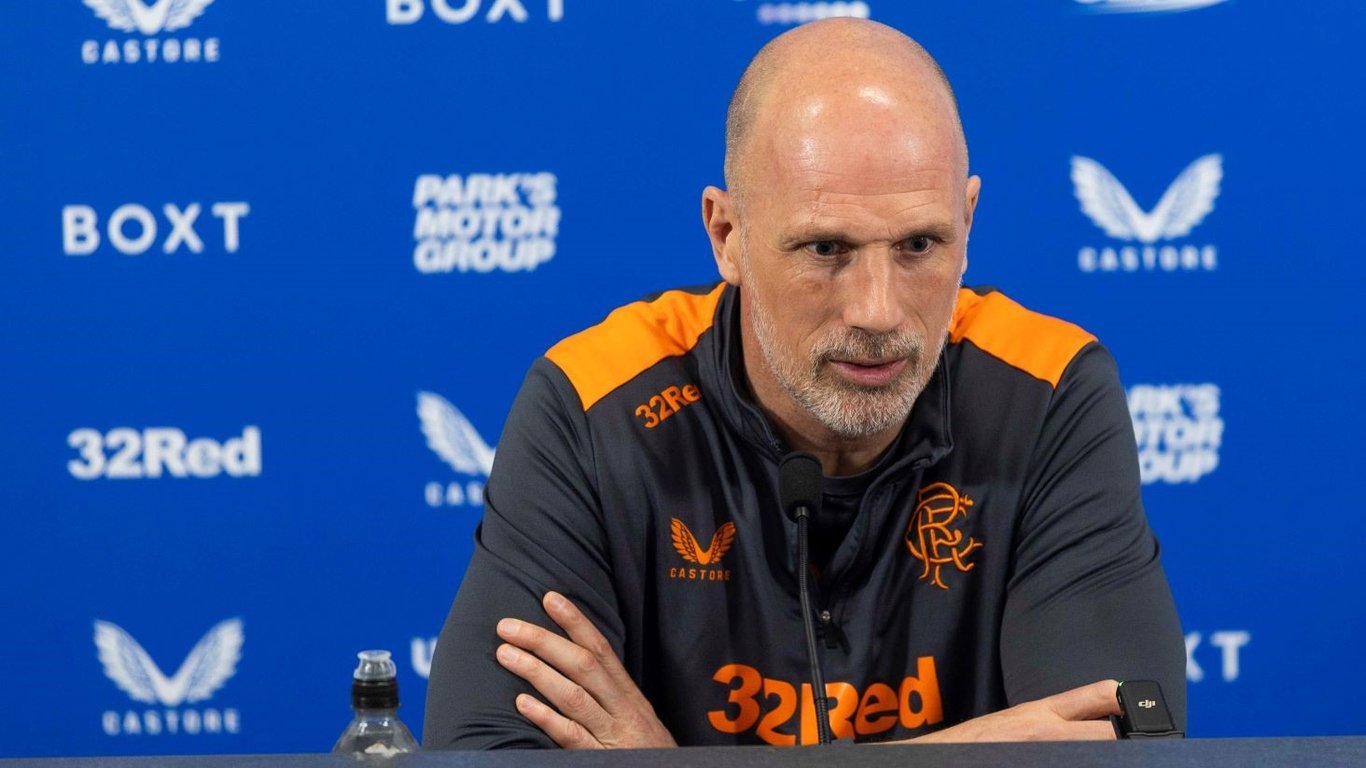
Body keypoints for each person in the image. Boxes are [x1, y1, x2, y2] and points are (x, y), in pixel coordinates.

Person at [423, 18, 1185, 749]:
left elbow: (1119, 750)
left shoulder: (1049, 393)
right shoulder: (594, 406)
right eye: (826, 249)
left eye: (920, 244)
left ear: (969, 220)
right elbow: (486, 752)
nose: (878, 311)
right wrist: (978, 749)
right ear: (727, 236)